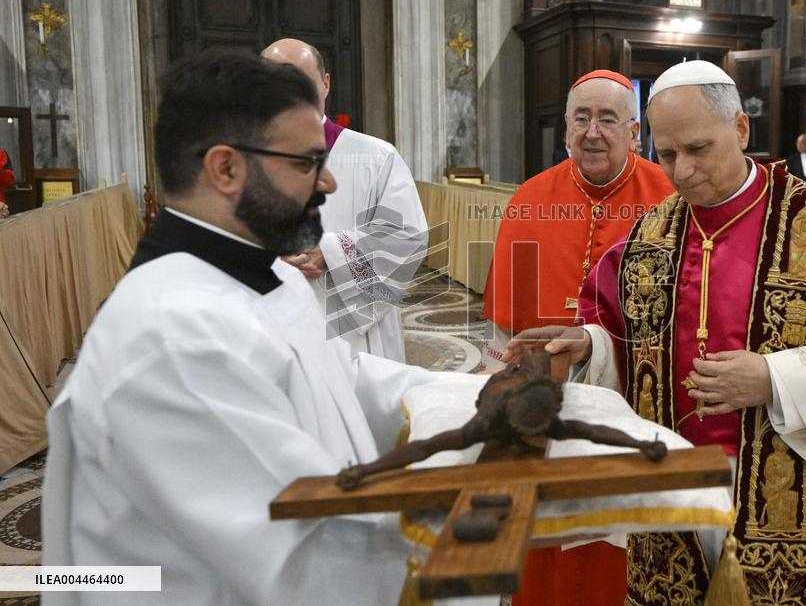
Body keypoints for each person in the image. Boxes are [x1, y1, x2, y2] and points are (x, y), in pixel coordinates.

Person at [42, 51, 476, 605]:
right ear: (225, 169)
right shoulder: (173, 336)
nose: (329, 183)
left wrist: (479, 398)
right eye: (305, 163)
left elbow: (349, 377)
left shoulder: (268, 273)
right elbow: (310, 558)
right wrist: (479, 518)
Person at [507, 60, 806, 605]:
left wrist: (775, 378)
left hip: (788, 485)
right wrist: (590, 344)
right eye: (667, 154)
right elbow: (618, 329)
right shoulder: (647, 236)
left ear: (741, 129)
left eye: (698, 149)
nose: (681, 173)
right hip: (670, 479)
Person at [482, 70, 673, 606]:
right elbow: (502, 323)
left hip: (636, 408)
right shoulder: (530, 199)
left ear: (635, 133)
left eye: (608, 119)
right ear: (564, 129)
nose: (593, 131)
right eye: (581, 118)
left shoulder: (671, 201)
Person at [262, 38, 427, 363]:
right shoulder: (240, 162)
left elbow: (407, 235)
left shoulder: (376, 156)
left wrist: (329, 250)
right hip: (269, 320)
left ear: (325, 84)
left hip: (352, 330)